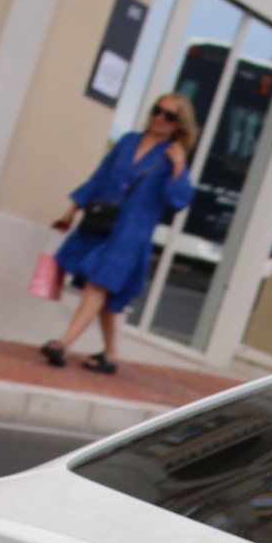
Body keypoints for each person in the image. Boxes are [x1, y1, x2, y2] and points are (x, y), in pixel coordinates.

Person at [43, 94, 198, 374]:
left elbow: (179, 201)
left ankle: (63, 344)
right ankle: (111, 354)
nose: (161, 118)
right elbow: (99, 178)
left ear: (179, 124)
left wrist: (178, 165)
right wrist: (71, 210)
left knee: (98, 284)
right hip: (102, 225)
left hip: (131, 234)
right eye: (158, 111)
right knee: (105, 296)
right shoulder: (128, 141)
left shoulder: (171, 158)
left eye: (170, 115)